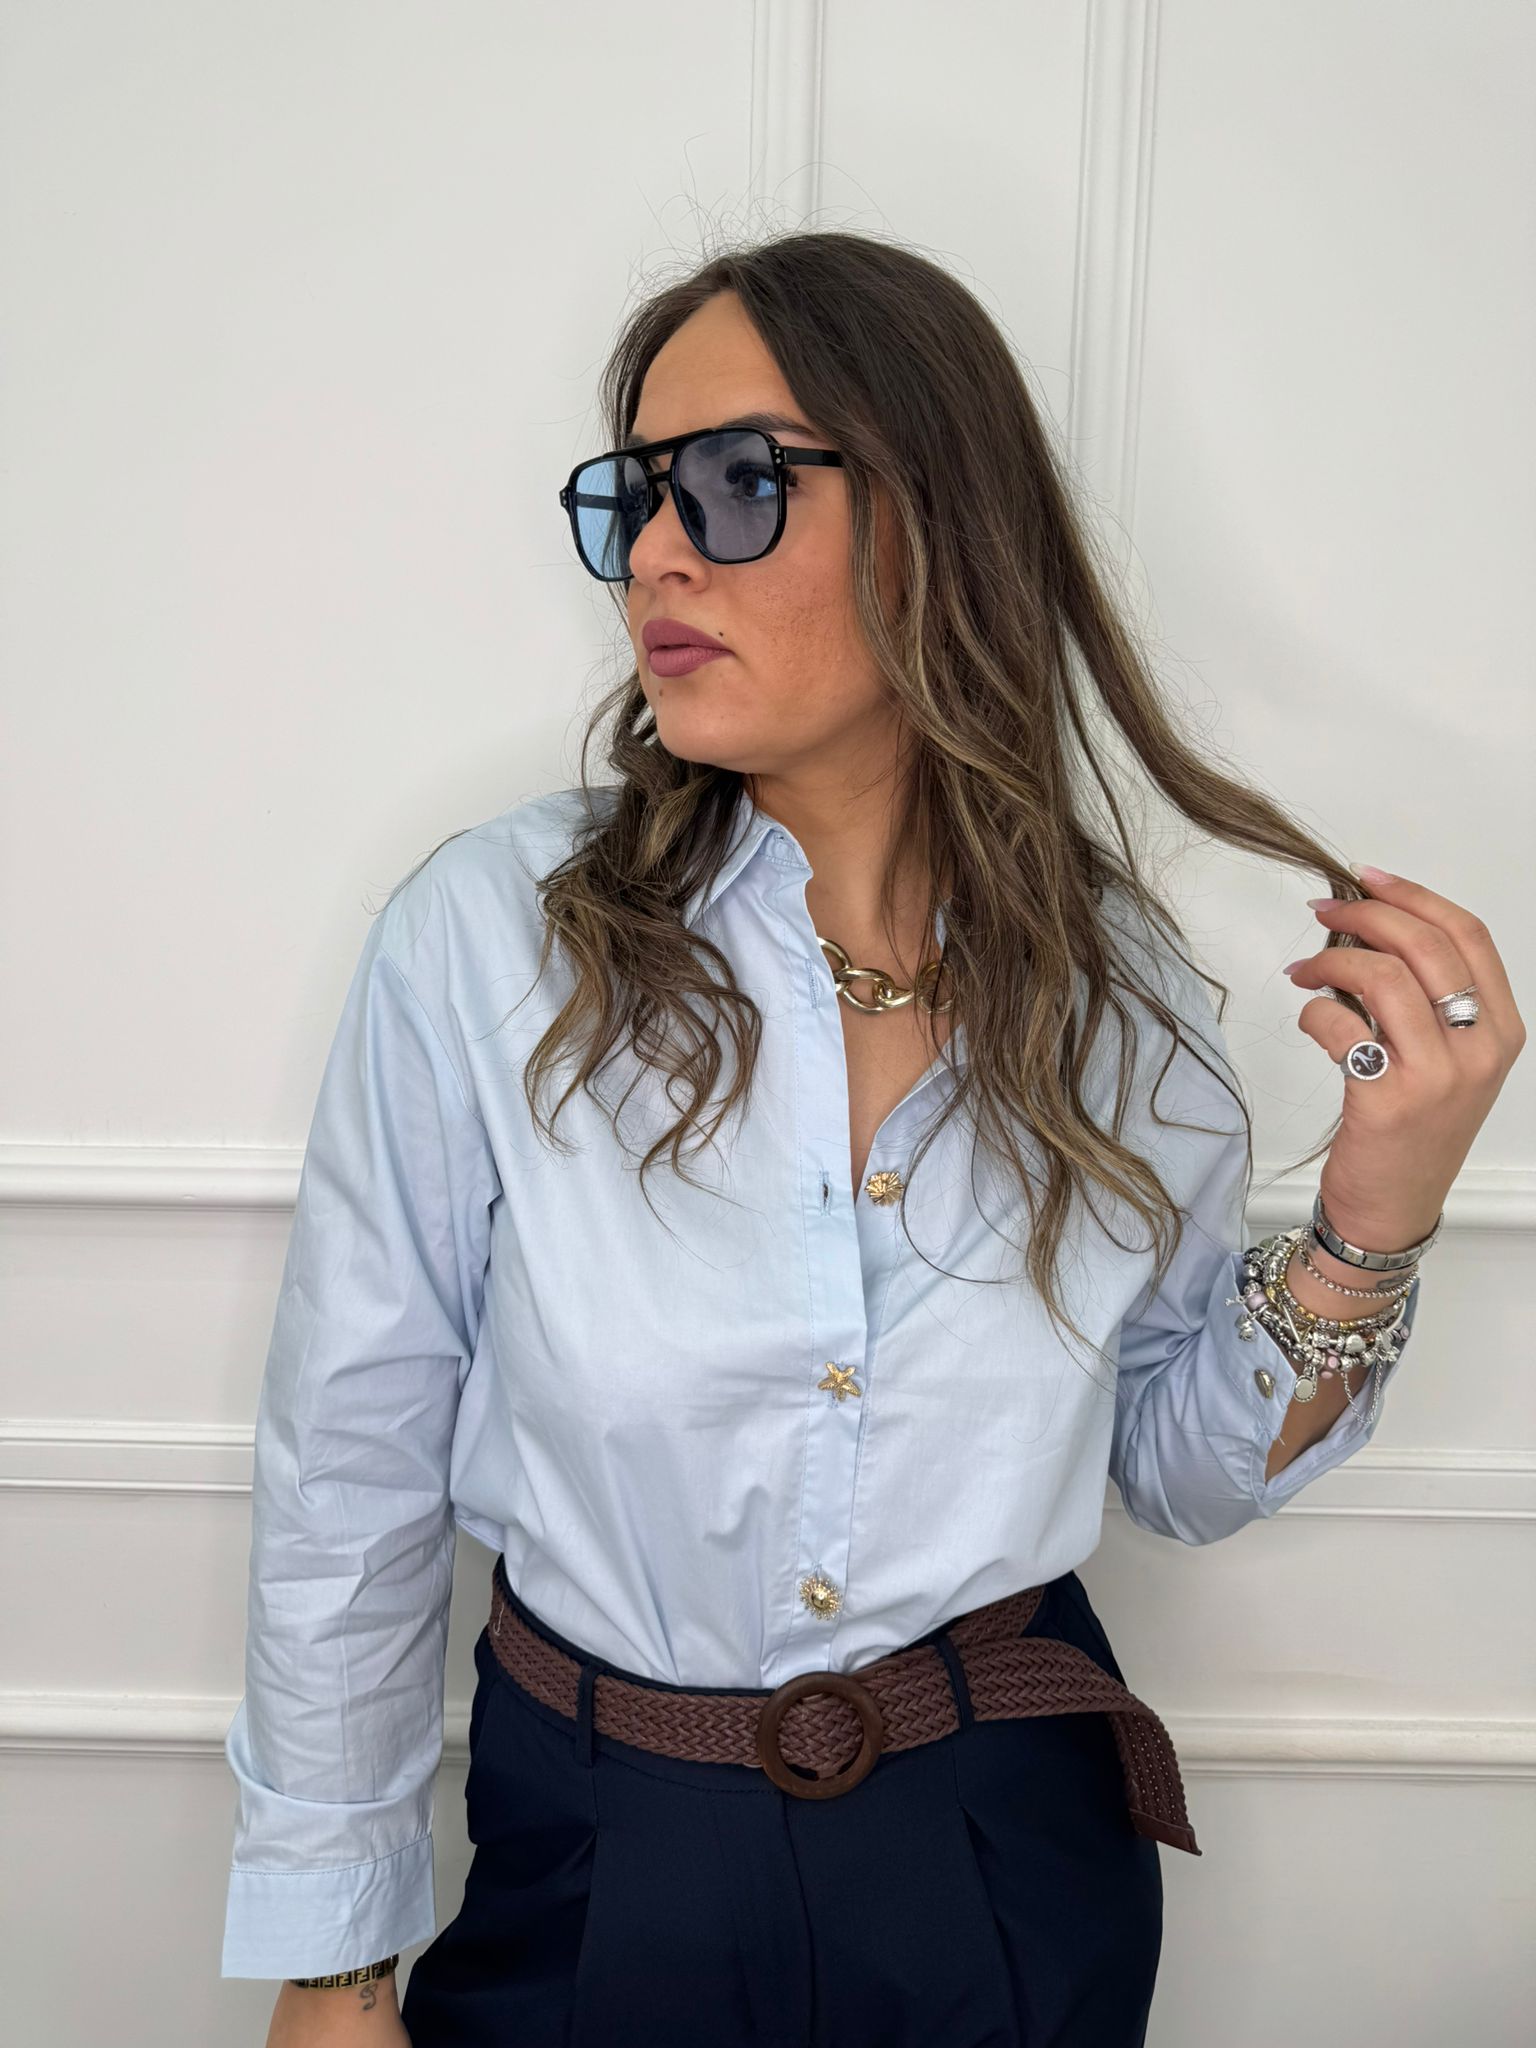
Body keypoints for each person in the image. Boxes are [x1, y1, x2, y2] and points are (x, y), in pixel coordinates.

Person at [219, 229, 1521, 2047]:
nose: (657, 553)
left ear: (935, 516)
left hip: (1005, 1863)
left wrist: (1379, 1213)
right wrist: (339, 1959)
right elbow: (349, 1471)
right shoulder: (489, 944)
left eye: (736, 483)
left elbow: (1174, 1463)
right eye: (635, 497)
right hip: (593, 1854)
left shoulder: (1120, 994)